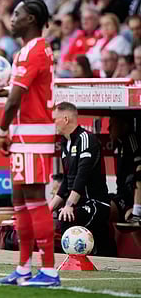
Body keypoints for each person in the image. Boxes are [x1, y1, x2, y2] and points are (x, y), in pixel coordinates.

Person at [0, 0, 60, 286]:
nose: (11, 19)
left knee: (35, 200)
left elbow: (17, 99)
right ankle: (24, 267)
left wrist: (2, 130)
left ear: (30, 19)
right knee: (19, 201)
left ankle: (50, 271)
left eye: (17, 14)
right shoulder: (29, 51)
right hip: (25, 135)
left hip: (33, 136)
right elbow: (19, 95)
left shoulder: (34, 51)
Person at [49, 102, 114, 256]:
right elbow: (66, 181)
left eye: (54, 120)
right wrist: (48, 209)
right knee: (101, 239)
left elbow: (81, 177)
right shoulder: (65, 144)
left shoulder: (86, 139)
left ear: (65, 119)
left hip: (96, 203)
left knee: (66, 218)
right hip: (80, 203)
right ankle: (106, 253)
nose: (53, 124)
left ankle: (73, 260)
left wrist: (69, 205)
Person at [109, 115, 141, 225]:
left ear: (124, 126)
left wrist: (137, 208)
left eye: (112, 124)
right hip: (121, 195)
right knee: (100, 208)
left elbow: (139, 169)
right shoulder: (118, 144)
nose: (108, 128)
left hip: (131, 199)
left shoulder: (131, 140)